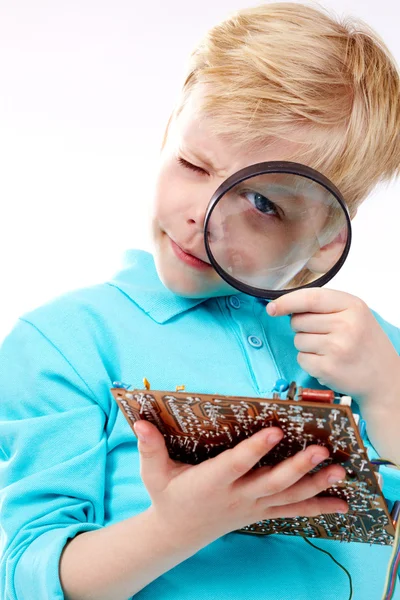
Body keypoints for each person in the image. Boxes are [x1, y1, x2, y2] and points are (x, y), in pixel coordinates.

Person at [1, 3, 400, 599]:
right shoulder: (67, 342)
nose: (199, 216)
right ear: (167, 137)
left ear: (327, 244)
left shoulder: (373, 352)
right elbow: (24, 577)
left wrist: (389, 398)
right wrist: (177, 527)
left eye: (263, 204)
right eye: (193, 163)